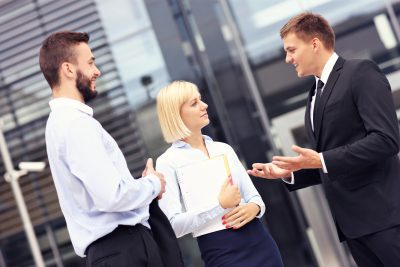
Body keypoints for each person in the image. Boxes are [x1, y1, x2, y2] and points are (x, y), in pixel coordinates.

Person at [248, 12, 400, 266]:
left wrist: (321, 159)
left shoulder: (360, 73)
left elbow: (386, 139)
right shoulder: (313, 95)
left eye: (291, 50)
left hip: (386, 219)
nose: (288, 59)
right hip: (354, 227)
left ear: (315, 43)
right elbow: (330, 162)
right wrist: (290, 172)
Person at [40, 31, 184, 267]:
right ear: (68, 69)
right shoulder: (75, 123)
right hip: (123, 250)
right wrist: (154, 183)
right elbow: (112, 196)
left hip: (118, 250)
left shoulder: (61, 123)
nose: (97, 71)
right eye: (90, 63)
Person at [155, 80, 283, 267]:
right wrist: (220, 205)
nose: (204, 105)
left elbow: (255, 198)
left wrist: (254, 208)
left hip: (260, 242)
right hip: (222, 253)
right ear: (176, 115)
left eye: (200, 99)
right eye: (194, 103)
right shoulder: (167, 163)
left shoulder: (223, 149)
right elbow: (173, 226)